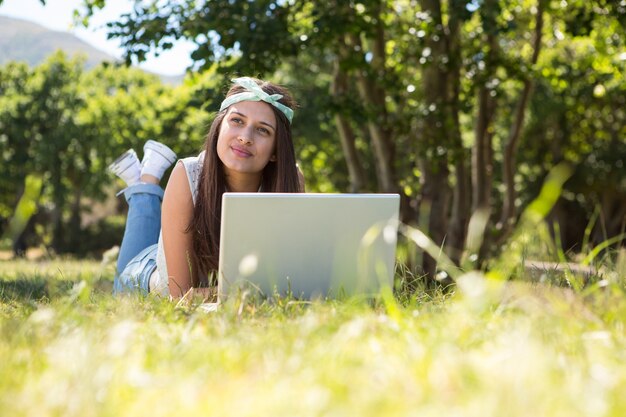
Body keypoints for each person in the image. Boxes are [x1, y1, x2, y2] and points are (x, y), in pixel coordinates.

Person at [109, 77, 303, 299]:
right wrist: (252, 294)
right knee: (123, 277)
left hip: (176, 256)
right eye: (237, 121)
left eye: (262, 130)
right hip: (144, 276)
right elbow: (181, 296)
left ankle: (143, 179)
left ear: (277, 151)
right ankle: (146, 184)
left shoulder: (290, 181)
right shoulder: (188, 173)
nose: (245, 137)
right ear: (219, 127)